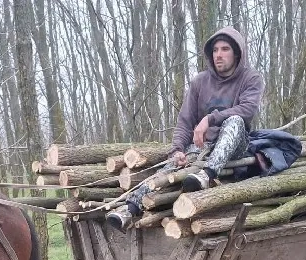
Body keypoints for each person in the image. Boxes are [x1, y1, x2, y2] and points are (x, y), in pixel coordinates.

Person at [107, 25, 266, 231]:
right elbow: (185, 121)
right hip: (202, 147)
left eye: (225, 49)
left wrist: (210, 118)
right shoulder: (200, 81)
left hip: (235, 147)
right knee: (168, 169)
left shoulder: (251, 78)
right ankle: (129, 209)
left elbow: (247, 110)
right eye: (215, 50)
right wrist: (177, 150)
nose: (219, 55)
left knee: (234, 120)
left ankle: (207, 175)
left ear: (237, 53)